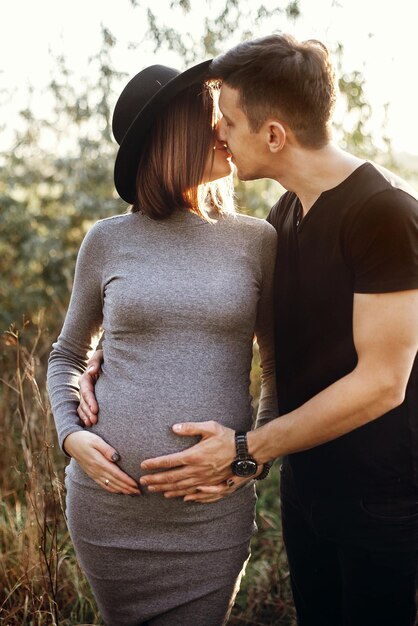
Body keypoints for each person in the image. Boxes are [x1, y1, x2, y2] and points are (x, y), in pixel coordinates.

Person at [79, 34, 418, 626]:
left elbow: (386, 382)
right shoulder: (283, 216)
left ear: (274, 135)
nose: (220, 135)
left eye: (228, 122)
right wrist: (103, 364)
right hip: (306, 488)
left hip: (379, 496)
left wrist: (245, 451)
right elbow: (248, 333)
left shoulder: (386, 214)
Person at [47, 59, 278, 626]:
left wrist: (252, 459)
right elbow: (67, 355)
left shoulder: (256, 242)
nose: (225, 128)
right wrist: (70, 436)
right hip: (110, 509)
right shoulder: (106, 241)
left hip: (210, 515)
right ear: (177, 134)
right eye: (213, 118)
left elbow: (277, 366)